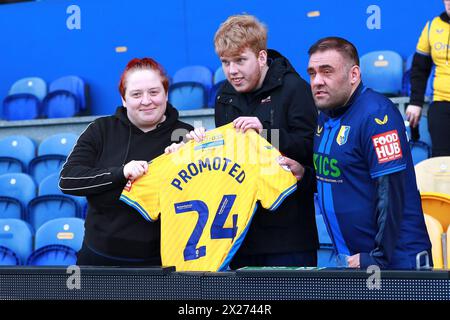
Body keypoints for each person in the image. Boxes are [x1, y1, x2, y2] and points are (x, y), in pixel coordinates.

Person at [172, 14, 319, 268]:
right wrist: (199, 147)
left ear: (261, 57)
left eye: (240, 61)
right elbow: (228, 159)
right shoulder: (224, 96)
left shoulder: (295, 89)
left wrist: (263, 134)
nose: (232, 71)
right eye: (225, 62)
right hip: (240, 235)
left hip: (289, 236)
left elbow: (311, 148)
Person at [279, 37, 432, 269]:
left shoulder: (378, 116)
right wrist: (306, 174)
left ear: (354, 75)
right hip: (355, 261)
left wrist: (377, 257)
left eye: (327, 71)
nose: (317, 81)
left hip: (393, 263)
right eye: (312, 73)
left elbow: (389, 191)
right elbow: (342, 178)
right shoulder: (325, 115)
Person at [59, 57, 193, 266]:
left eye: (154, 92)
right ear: (123, 99)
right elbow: (68, 180)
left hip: (161, 263)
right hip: (99, 258)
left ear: (166, 94)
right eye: (136, 94)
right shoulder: (100, 129)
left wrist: (193, 157)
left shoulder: (185, 135)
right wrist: (120, 173)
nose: (146, 101)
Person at [406, 0, 450, 156]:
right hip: (442, 103)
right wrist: (415, 102)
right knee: (443, 161)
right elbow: (419, 69)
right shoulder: (432, 27)